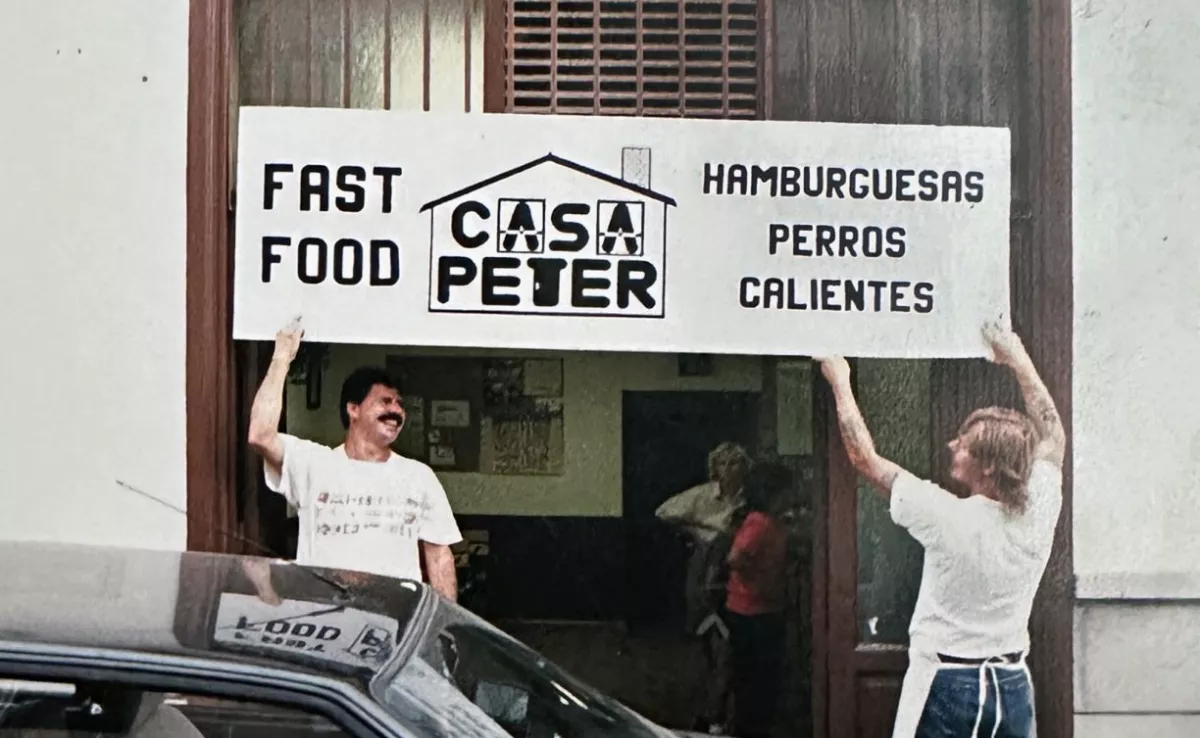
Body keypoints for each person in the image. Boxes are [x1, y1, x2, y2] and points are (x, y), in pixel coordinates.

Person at [817, 323, 1065, 738]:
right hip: (1011, 683)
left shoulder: (946, 517)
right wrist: (1018, 358)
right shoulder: (1039, 505)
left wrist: (840, 380)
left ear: (987, 467)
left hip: (948, 684)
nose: (953, 446)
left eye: (964, 444)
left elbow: (865, 459)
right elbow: (1053, 434)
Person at [248, 317, 462, 601]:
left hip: (393, 621)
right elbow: (260, 435)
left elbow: (439, 556)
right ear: (353, 409)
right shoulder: (314, 464)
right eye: (385, 402)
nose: (396, 410)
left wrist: (442, 629)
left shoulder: (418, 476)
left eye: (400, 404)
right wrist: (281, 357)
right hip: (324, 621)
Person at [655, 441, 751, 734]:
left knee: (728, 649)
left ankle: (717, 714)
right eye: (722, 464)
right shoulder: (703, 495)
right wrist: (700, 531)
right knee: (706, 645)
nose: (727, 470)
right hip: (705, 571)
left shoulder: (749, 500)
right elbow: (664, 511)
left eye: (734, 463)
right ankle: (707, 713)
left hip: (734, 571)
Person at [724, 461, 793, 738]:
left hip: (766, 609)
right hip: (751, 613)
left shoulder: (773, 522)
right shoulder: (760, 523)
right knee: (755, 683)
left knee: (761, 682)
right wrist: (757, 580)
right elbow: (735, 558)